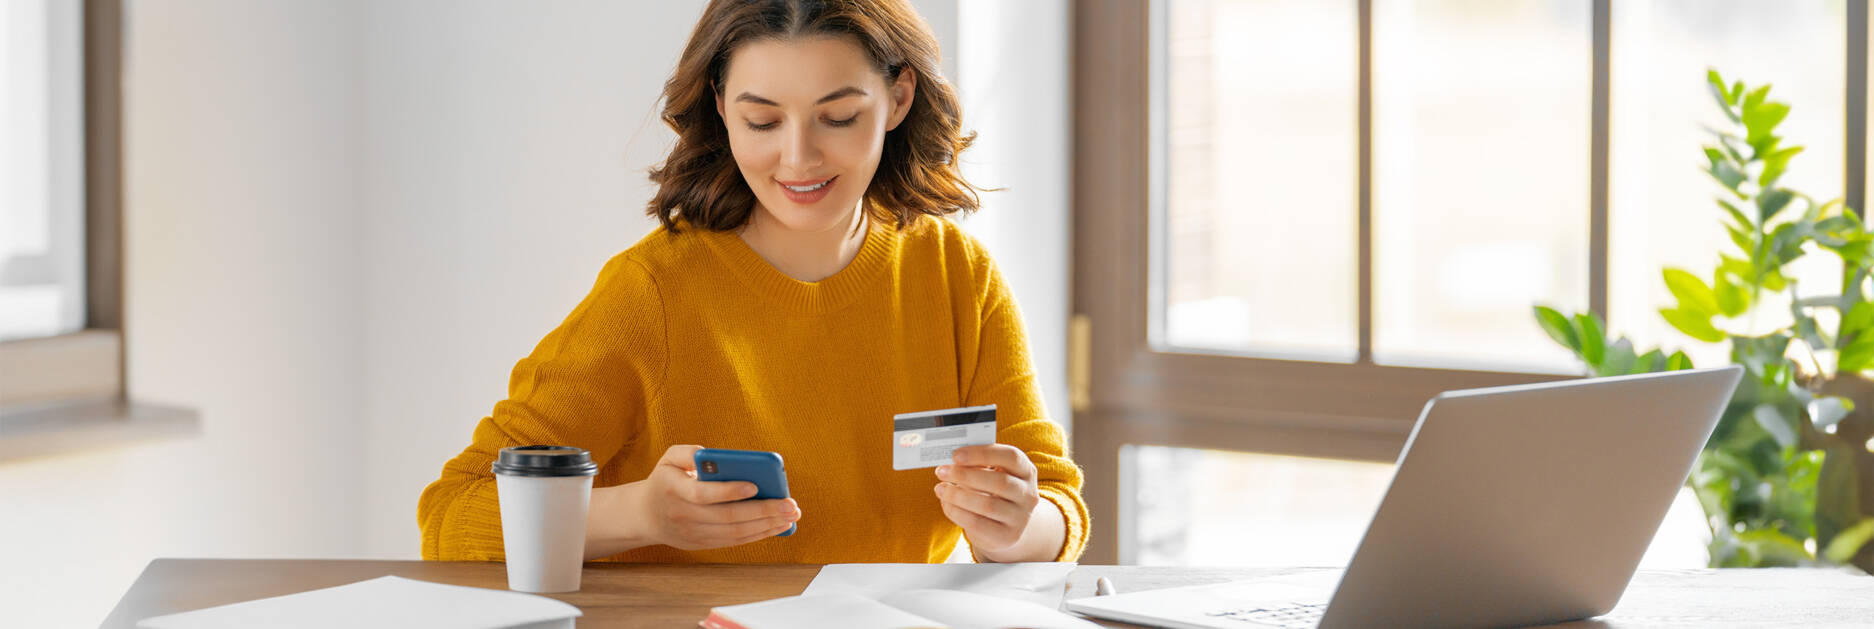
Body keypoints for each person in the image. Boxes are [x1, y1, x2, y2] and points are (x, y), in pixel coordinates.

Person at [417, 0, 1088, 564]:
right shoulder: (652, 292)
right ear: (720, 107)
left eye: (839, 117)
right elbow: (453, 513)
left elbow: (1056, 506)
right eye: (762, 121)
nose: (798, 157)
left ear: (898, 99)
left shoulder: (956, 276)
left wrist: (1012, 526)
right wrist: (640, 514)